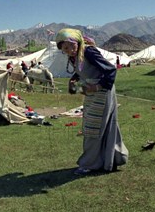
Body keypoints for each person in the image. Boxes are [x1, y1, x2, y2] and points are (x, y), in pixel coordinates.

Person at [55, 28, 129, 175]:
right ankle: (111, 159)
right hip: (91, 94)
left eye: (69, 47)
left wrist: (98, 86)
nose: (68, 51)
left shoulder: (89, 51)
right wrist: (73, 80)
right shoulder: (76, 55)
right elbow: (82, 70)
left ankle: (90, 164)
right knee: (97, 127)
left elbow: (110, 70)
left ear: (76, 42)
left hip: (101, 93)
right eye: (64, 49)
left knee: (93, 129)